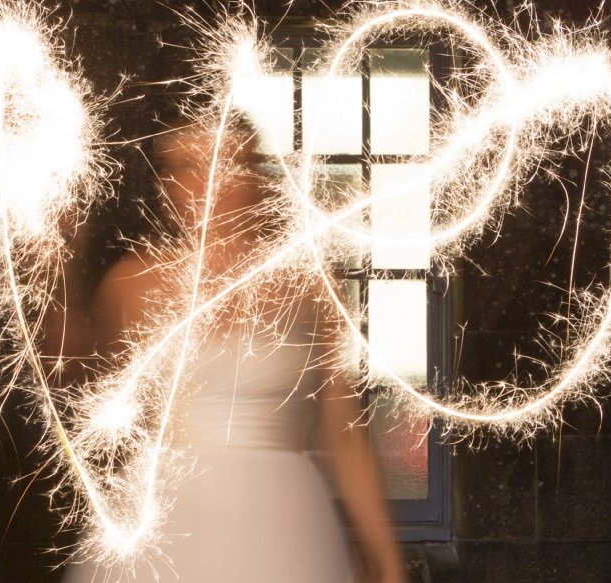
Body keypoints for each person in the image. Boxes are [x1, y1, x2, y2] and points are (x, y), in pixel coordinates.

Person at [49, 116, 408, 582]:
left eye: (230, 162)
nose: (212, 181)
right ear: (167, 185)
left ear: (256, 175)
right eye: (189, 165)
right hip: (165, 520)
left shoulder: (312, 283)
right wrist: (59, 263)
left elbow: (345, 433)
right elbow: (75, 389)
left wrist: (388, 562)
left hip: (286, 523)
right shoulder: (130, 284)